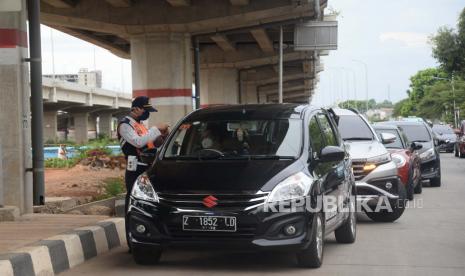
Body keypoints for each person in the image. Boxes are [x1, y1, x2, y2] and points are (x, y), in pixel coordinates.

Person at [117, 96, 169, 249]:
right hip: (135, 169)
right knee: (132, 205)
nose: (147, 114)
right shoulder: (125, 125)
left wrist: (162, 136)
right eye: (145, 110)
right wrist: (155, 129)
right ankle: (132, 241)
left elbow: (150, 143)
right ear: (136, 109)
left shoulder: (140, 125)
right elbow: (138, 142)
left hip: (147, 167)